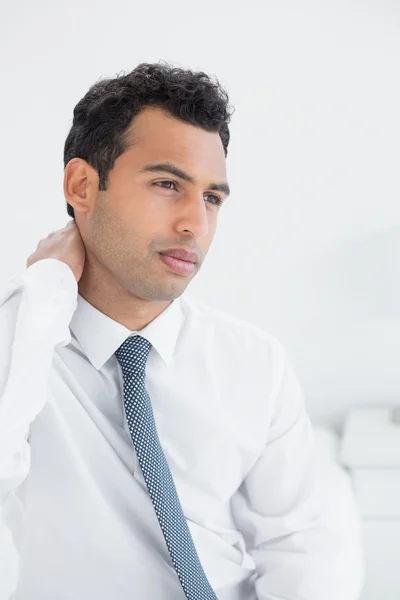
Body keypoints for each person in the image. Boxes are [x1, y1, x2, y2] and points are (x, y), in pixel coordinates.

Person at [0, 61, 340, 600]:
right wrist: (43, 296)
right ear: (82, 185)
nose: (195, 225)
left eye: (212, 198)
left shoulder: (254, 362)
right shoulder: (17, 340)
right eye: (166, 184)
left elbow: (299, 542)